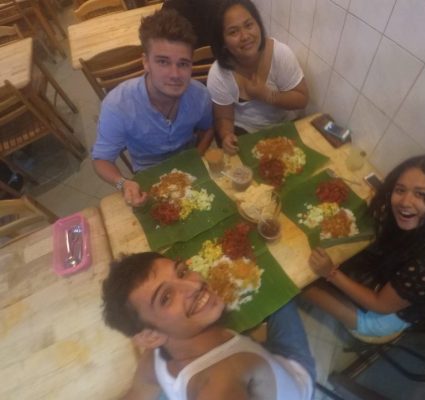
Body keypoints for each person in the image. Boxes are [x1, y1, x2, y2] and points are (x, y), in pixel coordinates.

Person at [102, 252, 315, 400]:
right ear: (150, 336)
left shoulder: (153, 359)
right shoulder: (220, 382)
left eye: (182, 272)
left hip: (264, 361)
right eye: (166, 297)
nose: (195, 285)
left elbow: (137, 394)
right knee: (283, 293)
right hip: (296, 375)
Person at [303, 155, 425, 339]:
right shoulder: (410, 218)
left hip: (380, 315)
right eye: (400, 190)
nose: (405, 202)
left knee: (304, 286)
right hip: (382, 278)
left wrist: (331, 273)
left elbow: (380, 305)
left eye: (421, 194)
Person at [92, 9, 214, 207]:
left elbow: (208, 128)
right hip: (147, 174)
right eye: (163, 62)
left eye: (183, 64)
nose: (175, 74)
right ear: (146, 62)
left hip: (189, 163)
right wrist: (122, 183)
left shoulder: (200, 95)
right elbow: (101, 159)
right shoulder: (118, 105)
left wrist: (198, 155)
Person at [207, 0, 309, 154]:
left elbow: (302, 99)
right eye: (233, 32)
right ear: (223, 42)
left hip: (284, 126)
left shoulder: (281, 54)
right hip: (244, 132)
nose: (245, 36)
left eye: (249, 25)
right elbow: (224, 118)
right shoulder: (218, 73)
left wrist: (268, 96)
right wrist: (226, 135)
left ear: (258, 25)